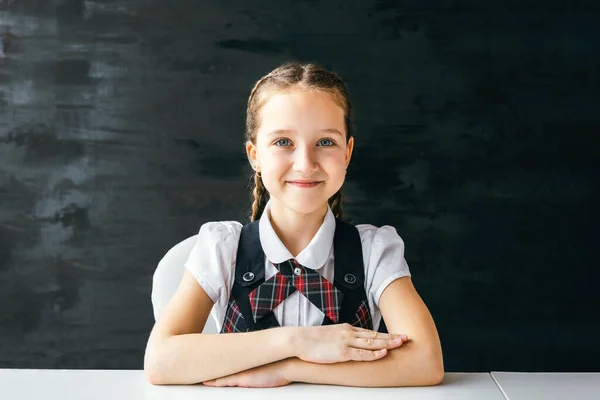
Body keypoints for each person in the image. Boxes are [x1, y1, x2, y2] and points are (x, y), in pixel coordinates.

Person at [144, 62, 444, 388]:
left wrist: (289, 369)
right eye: (283, 142)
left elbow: (426, 362)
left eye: (326, 142)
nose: (305, 164)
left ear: (347, 152)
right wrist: (298, 342)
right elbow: (161, 361)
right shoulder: (222, 248)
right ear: (254, 154)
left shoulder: (373, 251)